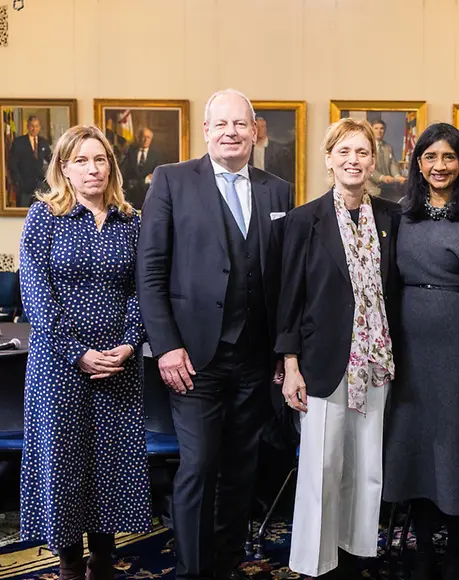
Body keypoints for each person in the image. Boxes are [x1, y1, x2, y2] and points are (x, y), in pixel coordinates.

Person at [137, 89, 292, 580]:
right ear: (205, 131)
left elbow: (284, 278)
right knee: (199, 466)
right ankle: (191, 570)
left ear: (254, 132)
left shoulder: (278, 190)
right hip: (192, 358)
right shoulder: (171, 180)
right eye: (221, 124)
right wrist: (166, 347)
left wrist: (283, 351)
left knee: (241, 470)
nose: (231, 132)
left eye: (240, 124)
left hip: (255, 358)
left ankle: (224, 566)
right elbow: (150, 271)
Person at [18, 125, 149, 580]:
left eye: (100, 159)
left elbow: (143, 289)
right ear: (64, 168)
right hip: (59, 366)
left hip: (119, 364)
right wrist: (77, 352)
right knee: (65, 461)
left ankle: (104, 560)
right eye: (81, 160)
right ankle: (70, 562)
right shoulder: (44, 216)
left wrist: (129, 343)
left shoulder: (131, 220)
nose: (92, 169)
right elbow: (35, 293)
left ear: (111, 166)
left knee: (110, 462)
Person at [277, 117, 401, 578]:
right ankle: (316, 563)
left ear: (373, 161)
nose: (353, 160)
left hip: (375, 361)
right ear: (328, 159)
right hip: (322, 362)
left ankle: (355, 555)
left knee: (367, 466)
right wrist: (290, 365)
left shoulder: (390, 218)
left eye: (362, 152)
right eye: (343, 151)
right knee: (323, 467)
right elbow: (290, 297)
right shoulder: (304, 220)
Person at [383, 122, 459, 580]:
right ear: (418, 164)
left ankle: (456, 553)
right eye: (430, 157)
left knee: (456, 452)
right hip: (407, 354)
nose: (439, 166)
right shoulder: (400, 214)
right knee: (413, 451)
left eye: (449, 157)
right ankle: (421, 551)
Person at [8, 116, 52, 207]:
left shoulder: (43, 142)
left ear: (39, 127)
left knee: (38, 211)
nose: (34, 129)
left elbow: (51, 160)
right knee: (23, 211)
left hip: (39, 186)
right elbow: (12, 163)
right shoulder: (19, 142)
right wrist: (17, 181)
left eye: (36, 126)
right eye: (32, 126)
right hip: (23, 186)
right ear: (28, 127)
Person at [120, 127, 163, 208]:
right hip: (132, 196)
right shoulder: (130, 153)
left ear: (151, 139)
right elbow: (122, 172)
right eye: (143, 137)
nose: (145, 140)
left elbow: (159, 175)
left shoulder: (156, 156)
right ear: (139, 138)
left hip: (149, 196)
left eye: (148, 137)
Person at [249, 116, 294, 186]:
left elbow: (284, 175)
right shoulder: (249, 149)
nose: (260, 129)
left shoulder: (277, 149)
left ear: (266, 128)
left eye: (262, 127)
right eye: (257, 127)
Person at [369, 118, 406, 201]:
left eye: (381, 128)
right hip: (371, 188)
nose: (379, 131)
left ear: (384, 131)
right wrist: (382, 177)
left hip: (387, 187)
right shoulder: (367, 146)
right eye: (376, 128)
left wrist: (397, 176)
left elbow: (393, 164)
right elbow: (367, 168)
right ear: (371, 130)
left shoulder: (388, 147)